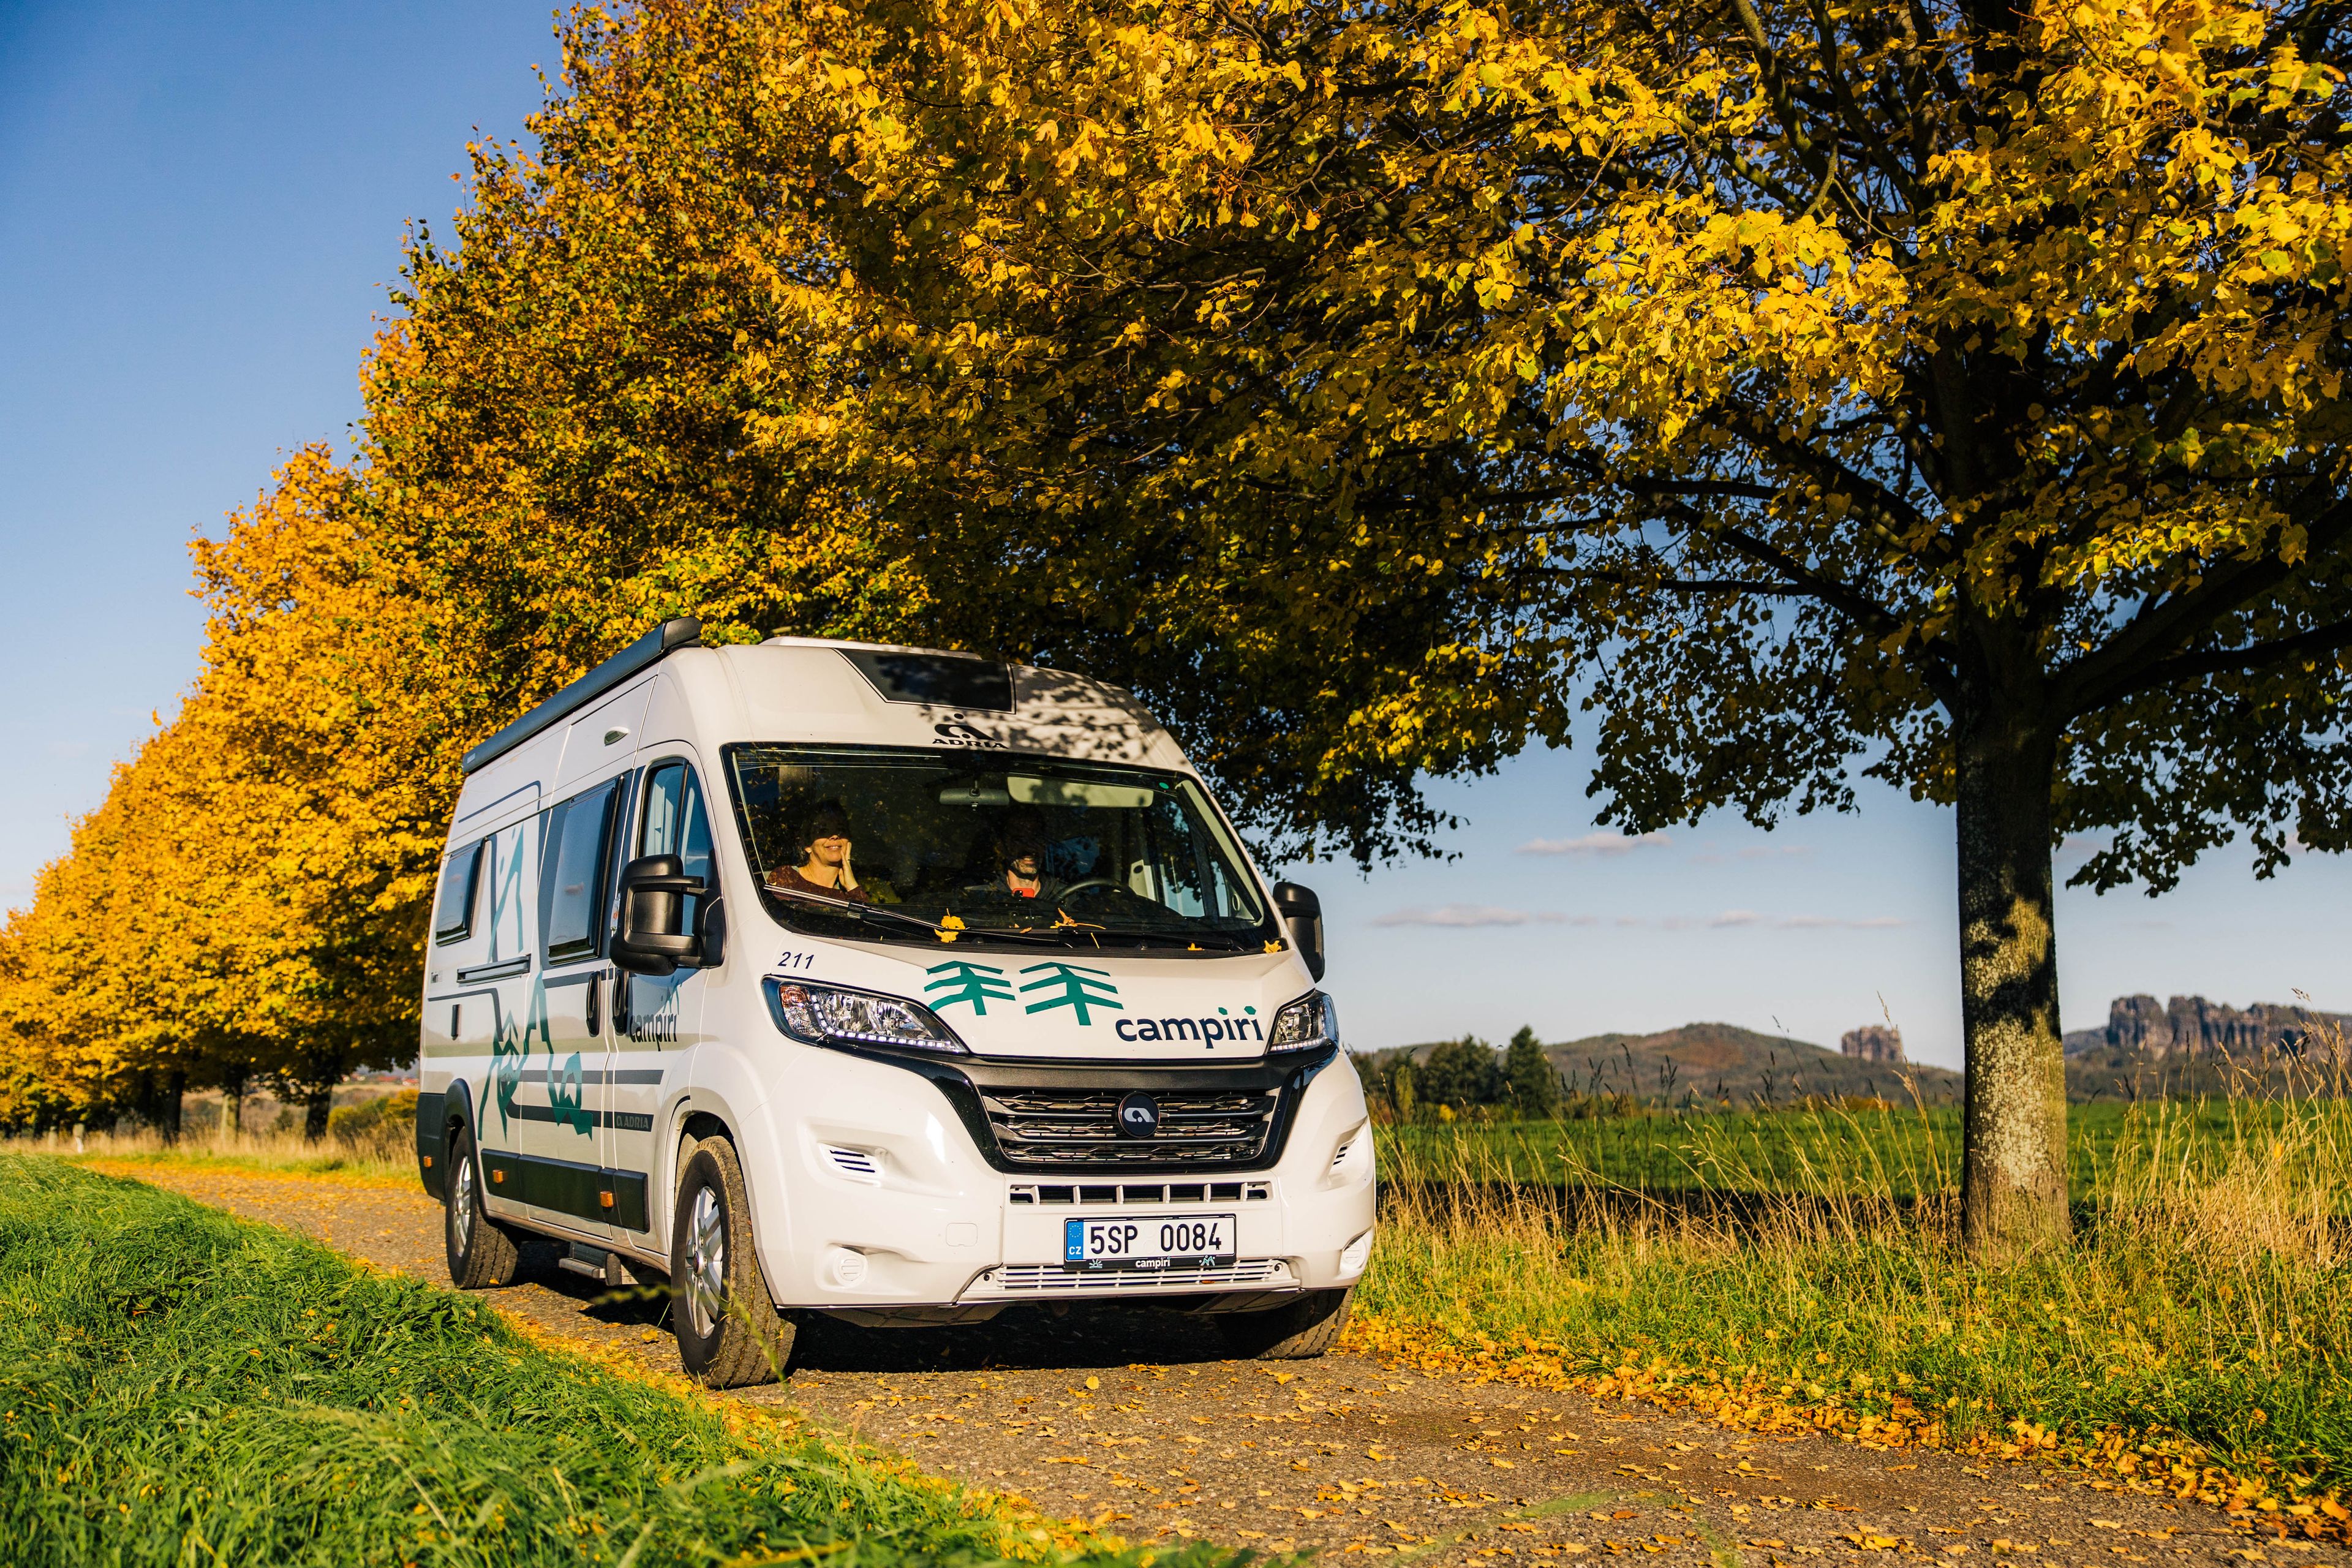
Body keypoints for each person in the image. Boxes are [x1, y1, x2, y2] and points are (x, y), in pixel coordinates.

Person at [766, 804, 871, 903]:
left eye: (840, 830)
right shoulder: (788, 877)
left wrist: (852, 886)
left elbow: (866, 920)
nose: (835, 836)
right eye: (823, 831)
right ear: (807, 846)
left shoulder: (850, 894)